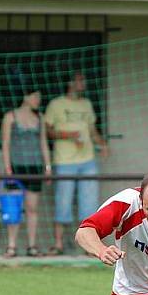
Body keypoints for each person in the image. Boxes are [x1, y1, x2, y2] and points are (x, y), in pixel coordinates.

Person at [45, 71, 109, 255]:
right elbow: (48, 131)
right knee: (62, 202)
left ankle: (90, 248)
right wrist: (68, 135)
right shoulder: (56, 104)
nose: (84, 83)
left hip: (88, 160)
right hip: (64, 161)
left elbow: (91, 129)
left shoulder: (86, 104)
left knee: (89, 205)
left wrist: (102, 144)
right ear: (71, 82)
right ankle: (58, 245)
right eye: (81, 80)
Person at [1, 78, 52, 258]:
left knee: (32, 207)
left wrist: (47, 166)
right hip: (15, 168)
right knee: (14, 207)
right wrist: (7, 167)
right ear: (26, 96)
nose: (38, 100)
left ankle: (31, 246)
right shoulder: (10, 117)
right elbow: (5, 144)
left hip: (35, 167)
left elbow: (43, 144)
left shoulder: (40, 117)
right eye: (35, 96)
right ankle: (11, 246)